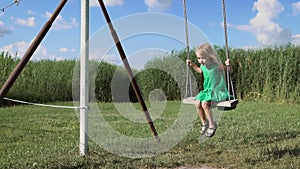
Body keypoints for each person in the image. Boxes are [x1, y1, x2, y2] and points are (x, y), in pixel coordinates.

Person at [186, 43, 231, 137]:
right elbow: (200, 71)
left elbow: (228, 71)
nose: (200, 60)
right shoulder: (203, 66)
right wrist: (193, 65)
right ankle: (204, 123)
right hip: (207, 91)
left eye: (202, 58)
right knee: (197, 103)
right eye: (198, 58)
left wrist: (228, 65)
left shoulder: (217, 65)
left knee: (204, 104)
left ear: (210, 56)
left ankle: (212, 125)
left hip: (218, 91)